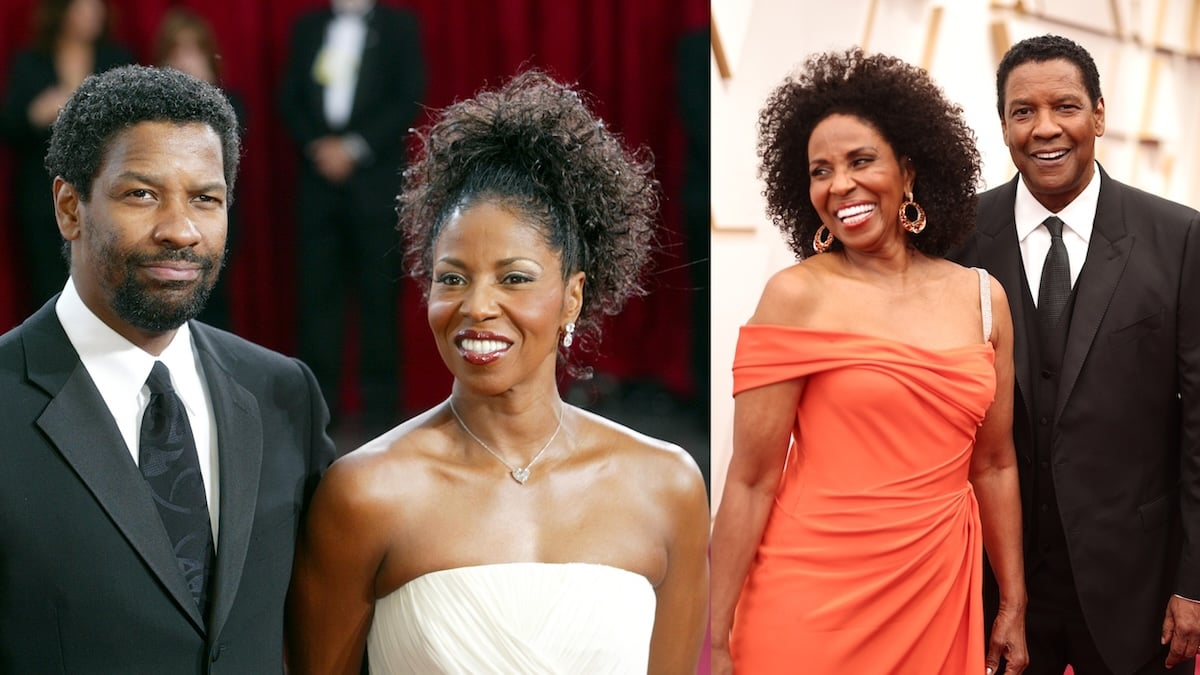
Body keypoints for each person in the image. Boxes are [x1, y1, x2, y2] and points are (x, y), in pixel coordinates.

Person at [285, 70, 709, 674]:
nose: (477, 305)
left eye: (514, 278)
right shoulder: (365, 493)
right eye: (452, 278)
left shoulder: (667, 487)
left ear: (572, 297)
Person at [0, 65, 336, 672]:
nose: (181, 231)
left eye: (205, 199)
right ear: (70, 207)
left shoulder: (284, 393)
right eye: (142, 194)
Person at [710, 48, 1029, 674]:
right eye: (820, 171)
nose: (839, 186)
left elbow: (994, 464)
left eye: (860, 161)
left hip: (936, 595)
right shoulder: (794, 296)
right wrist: (716, 640)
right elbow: (750, 480)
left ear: (908, 171)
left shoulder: (981, 299)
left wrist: (1013, 603)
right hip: (810, 599)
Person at [953, 34, 1200, 675]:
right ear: (1003, 125)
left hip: (1137, 587)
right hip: (995, 587)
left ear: (1098, 114)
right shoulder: (959, 239)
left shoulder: (1178, 238)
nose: (1044, 128)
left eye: (1064, 106)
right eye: (1023, 111)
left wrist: (1194, 581)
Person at [279, 0, 425, 436]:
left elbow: (408, 95)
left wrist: (354, 147)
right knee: (316, 300)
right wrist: (319, 147)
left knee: (379, 298)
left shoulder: (399, 28)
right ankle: (319, 409)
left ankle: (382, 410)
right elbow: (290, 96)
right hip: (316, 185)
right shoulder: (307, 28)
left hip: (375, 187)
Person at [1, 0, 132, 313]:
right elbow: (9, 126)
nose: (92, 15)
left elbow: (132, 126)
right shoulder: (31, 62)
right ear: (61, 12)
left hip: (102, 190)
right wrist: (35, 113)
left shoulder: (117, 59)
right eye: (83, 8)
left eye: (97, 8)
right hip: (41, 195)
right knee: (47, 287)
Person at [152, 6, 244, 332]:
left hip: (212, 223)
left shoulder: (230, 107)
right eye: (178, 50)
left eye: (193, 50)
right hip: (161, 222)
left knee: (210, 301)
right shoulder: (147, 113)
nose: (185, 60)